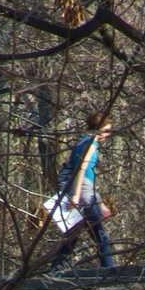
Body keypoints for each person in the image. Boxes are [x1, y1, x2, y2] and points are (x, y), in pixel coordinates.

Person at [49, 111, 116, 271]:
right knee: (99, 232)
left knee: (74, 232)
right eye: (106, 130)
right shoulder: (90, 144)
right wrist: (76, 195)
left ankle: (56, 268)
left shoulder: (83, 141)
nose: (108, 134)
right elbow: (81, 169)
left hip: (82, 188)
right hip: (82, 190)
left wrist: (100, 204)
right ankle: (110, 269)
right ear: (97, 129)